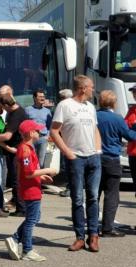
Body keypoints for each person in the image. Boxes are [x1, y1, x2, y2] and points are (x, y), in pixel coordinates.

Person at [50, 75, 102, 252]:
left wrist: (98, 150)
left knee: (93, 197)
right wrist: (68, 153)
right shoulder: (65, 106)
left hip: (93, 157)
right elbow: (54, 131)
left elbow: (95, 129)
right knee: (78, 199)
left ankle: (93, 236)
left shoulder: (90, 107)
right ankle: (80, 237)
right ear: (82, 88)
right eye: (91, 87)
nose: (93, 90)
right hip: (76, 158)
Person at [5, 120, 56, 262]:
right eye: (37, 130)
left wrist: (41, 175)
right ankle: (26, 249)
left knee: (35, 216)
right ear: (30, 133)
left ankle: (15, 239)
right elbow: (28, 173)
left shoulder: (28, 147)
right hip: (29, 189)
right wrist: (48, 170)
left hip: (32, 187)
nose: (39, 132)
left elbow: (30, 171)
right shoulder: (25, 149)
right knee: (31, 219)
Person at [97, 90, 136, 237]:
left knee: (94, 194)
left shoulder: (94, 115)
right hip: (112, 158)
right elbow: (129, 135)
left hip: (95, 158)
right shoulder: (116, 118)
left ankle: (93, 227)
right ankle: (107, 228)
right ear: (113, 102)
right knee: (112, 195)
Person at [0, 92, 28, 216]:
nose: (2, 109)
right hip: (14, 149)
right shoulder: (13, 112)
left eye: (3, 106)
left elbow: (7, 135)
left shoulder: (17, 114)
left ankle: (21, 209)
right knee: (16, 178)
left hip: (16, 149)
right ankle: (20, 205)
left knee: (17, 179)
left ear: (6, 104)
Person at [25, 89, 52, 167]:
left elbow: (50, 126)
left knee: (41, 163)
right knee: (31, 161)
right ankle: (32, 178)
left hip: (43, 139)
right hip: (31, 139)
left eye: (43, 96)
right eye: (40, 96)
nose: (42, 98)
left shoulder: (47, 111)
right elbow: (25, 124)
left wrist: (47, 136)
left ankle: (39, 178)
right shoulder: (27, 110)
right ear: (34, 98)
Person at [57, 89, 73, 198]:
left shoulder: (65, 108)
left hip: (68, 142)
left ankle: (70, 188)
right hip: (67, 141)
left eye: (61, 98)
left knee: (69, 166)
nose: (59, 100)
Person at [124, 86, 136, 196]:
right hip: (133, 152)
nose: (134, 95)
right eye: (133, 92)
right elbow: (125, 128)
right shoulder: (132, 110)